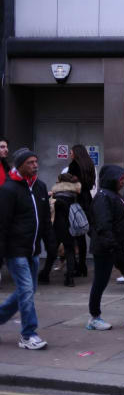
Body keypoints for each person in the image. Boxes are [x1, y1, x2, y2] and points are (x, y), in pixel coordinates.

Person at [0, 148, 55, 350]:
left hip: (32, 250)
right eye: (30, 162)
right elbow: (2, 224)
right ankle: (28, 334)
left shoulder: (39, 187)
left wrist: (50, 243)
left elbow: (45, 220)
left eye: (36, 161)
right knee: (25, 290)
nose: (35, 165)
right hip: (15, 250)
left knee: (27, 290)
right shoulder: (8, 189)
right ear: (20, 165)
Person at [86, 165, 124, 332]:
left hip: (121, 248)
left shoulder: (114, 196)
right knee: (100, 282)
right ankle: (94, 317)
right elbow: (103, 226)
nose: (123, 181)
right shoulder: (104, 197)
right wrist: (113, 246)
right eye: (121, 178)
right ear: (112, 179)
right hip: (108, 249)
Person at [40, 172, 81, 287]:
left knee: (52, 252)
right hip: (71, 225)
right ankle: (70, 279)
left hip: (58, 226)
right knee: (70, 251)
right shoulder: (74, 194)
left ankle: (45, 275)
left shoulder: (57, 195)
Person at [67, 144, 97, 278]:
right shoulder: (89, 164)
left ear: (76, 153)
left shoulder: (74, 165)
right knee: (89, 230)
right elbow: (90, 184)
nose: (70, 154)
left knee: (77, 234)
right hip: (87, 199)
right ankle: (84, 265)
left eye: (71, 152)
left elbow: (71, 183)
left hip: (76, 199)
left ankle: (79, 266)